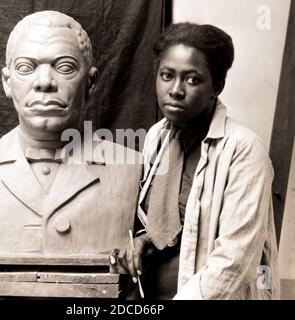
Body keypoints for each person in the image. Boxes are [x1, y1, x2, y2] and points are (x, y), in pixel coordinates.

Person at [112, 22, 280, 299]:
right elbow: (170, 224)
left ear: (217, 86)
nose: (175, 89)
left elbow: (235, 262)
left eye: (192, 79)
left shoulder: (244, 150)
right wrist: (144, 242)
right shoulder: (158, 137)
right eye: (167, 75)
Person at [0, 11, 142, 256]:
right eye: (26, 67)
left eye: (64, 67)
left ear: (91, 83)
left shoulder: (130, 165)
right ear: (6, 82)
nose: (44, 82)